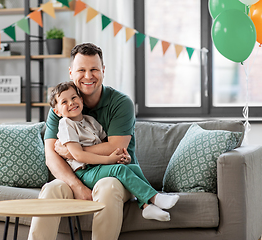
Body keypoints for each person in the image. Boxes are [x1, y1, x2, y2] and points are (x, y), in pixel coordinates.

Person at [27, 43, 170, 240]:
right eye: (81, 70)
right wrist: (77, 187)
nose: (88, 76)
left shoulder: (121, 103)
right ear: (71, 72)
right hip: (80, 174)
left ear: (103, 71)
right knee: (52, 188)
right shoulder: (61, 106)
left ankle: (146, 200)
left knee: (107, 186)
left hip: (117, 176)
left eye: (94, 69)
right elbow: (51, 155)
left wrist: (73, 151)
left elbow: (115, 147)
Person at [48, 80, 179, 222]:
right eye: (64, 102)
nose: (71, 103)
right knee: (119, 170)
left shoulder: (90, 121)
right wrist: (109, 160)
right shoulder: (66, 124)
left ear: (81, 99)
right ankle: (154, 197)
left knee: (132, 167)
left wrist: (120, 157)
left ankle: (146, 207)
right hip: (84, 172)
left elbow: (107, 145)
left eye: (73, 98)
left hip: (97, 167)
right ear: (57, 112)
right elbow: (78, 154)